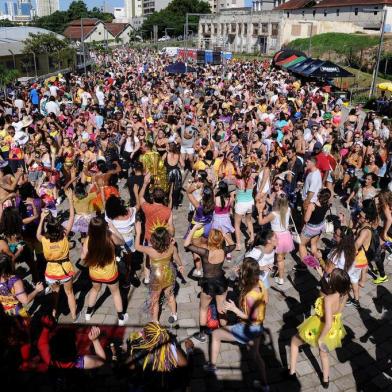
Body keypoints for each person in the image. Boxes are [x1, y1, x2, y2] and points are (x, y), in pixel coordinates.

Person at [206, 258, 268, 391]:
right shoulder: (261, 284)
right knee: (255, 356)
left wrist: (235, 310)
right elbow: (265, 301)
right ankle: (265, 385)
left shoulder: (251, 295)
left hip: (248, 328)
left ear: (246, 273)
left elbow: (252, 318)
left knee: (216, 334)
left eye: (242, 268)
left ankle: (212, 365)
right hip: (258, 328)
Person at [289, 268, 350, 389]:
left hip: (319, 326)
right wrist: (322, 276)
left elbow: (327, 323)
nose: (328, 277)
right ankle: (326, 379)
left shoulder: (328, 299)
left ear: (333, 283)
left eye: (330, 277)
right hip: (334, 328)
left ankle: (292, 373)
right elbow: (332, 292)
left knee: (294, 342)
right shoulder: (345, 294)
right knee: (324, 354)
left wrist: (320, 339)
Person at [184, 225, 235, 343]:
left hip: (208, 284)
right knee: (221, 309)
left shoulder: (205, 252)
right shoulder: (224, 250)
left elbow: (186, 245)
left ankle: (202, 335)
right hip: (221, 282)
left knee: (203, 308)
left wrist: (192, 229)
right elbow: (233, 245)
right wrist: (225, 235)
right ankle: (224, 333)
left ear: (210, 239)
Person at [36, 189, 77, 320]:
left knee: (55, 293)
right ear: (59, 227)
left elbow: (37, 234)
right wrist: (70, 199)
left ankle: (54, 314)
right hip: (65, 270)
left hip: (51, 272)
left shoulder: (45, 240)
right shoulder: (64, 236)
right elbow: (72, 217)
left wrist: (42, 219)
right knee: (70, 293)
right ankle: (74, 315)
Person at [81, 216, 128, 325]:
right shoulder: (109, 236)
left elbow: (83, 257)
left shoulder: (88, 239)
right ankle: (121, 318)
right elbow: (122, 242)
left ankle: (88, 313)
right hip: (110, 273)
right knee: (116, 293)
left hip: (95, 273)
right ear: (104, 227)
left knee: (95, 290)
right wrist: (112, 227)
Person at [134, 220, 184, 323]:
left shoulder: (150, 250)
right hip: (169, 273)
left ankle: (155, 321)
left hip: (157, 277)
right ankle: (174, 315)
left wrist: (138, 232)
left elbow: (137, 247)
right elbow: (177, 258)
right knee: (170, 295)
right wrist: (180, 265)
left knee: (155, 300)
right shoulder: (172, 247)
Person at [257, 195, 294, 285]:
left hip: (277, 237)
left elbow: (260, 222)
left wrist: (260, 211)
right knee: (281, 258)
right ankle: (277, 271)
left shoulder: (273, 214)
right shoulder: (288, 209)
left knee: (279, 259)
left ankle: (280, 278)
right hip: (287, 236)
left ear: (277, 202)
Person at [0, 253, 43, 317]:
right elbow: (25, 300)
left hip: (3, 313)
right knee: (25, 326)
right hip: (17, 314)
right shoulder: (14, 280)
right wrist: (37, 290)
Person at [299, 188, 331, 263]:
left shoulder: (312, 205)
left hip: (310, 229)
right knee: (313, 244)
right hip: (320, 227)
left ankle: (304, 265)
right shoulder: (327, 204)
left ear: (319, 195)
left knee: (302, 244)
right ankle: (318, 260)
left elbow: (306, 219)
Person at [234, 164, 255, 251]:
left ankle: (238, 244)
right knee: (249, 221)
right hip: (250, 203)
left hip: (241, 204)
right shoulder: (252, 180)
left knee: (237, 225)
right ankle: (252, 237)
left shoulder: (238, 181)